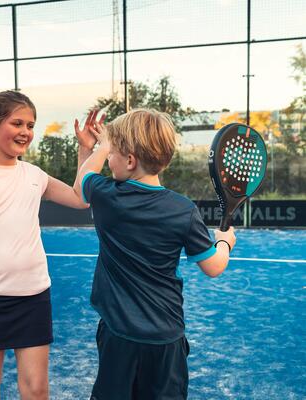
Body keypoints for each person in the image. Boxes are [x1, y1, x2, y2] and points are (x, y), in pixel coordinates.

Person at [0, 90, 103, 400]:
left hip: (33, 297)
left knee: (36, 390)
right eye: (17, 123)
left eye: (30, 125)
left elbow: (81, 198)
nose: (25, 132)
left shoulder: (34, 175)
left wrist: (85, 150)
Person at [73, 108, 237, 400]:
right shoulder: (183, 209)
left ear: (131, 160)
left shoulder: (107, 195)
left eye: (113, 154)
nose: (108, 159)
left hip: (117, 337)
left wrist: (97, 146)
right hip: (165, 340)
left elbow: (82, 181)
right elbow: (214, 267)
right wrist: (224, 242)